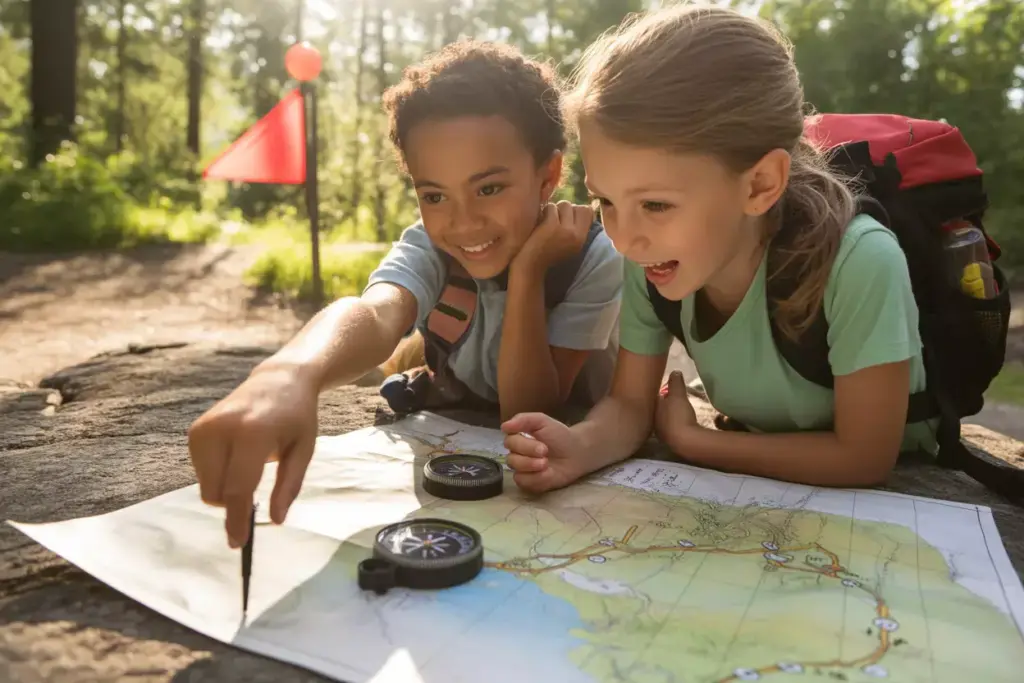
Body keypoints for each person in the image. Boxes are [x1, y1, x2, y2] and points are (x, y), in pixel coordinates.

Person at [188, 40, 623, 548]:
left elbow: (526, 411)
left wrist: (527, 274)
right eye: (434, 195)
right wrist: (290, 375)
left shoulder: (592, 255)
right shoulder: (433, 243)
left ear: (548, 175)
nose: (462, 222)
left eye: (489, 188)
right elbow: (378, 313)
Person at [502, 5, 934, 493]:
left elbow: (864, 457)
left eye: (657, 204)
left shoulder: (859, 262)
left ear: (760, 184)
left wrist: (697, 443)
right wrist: (578, 448)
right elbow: (628, 406)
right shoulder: (653, 261)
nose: (624, 237)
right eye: (605, 200)